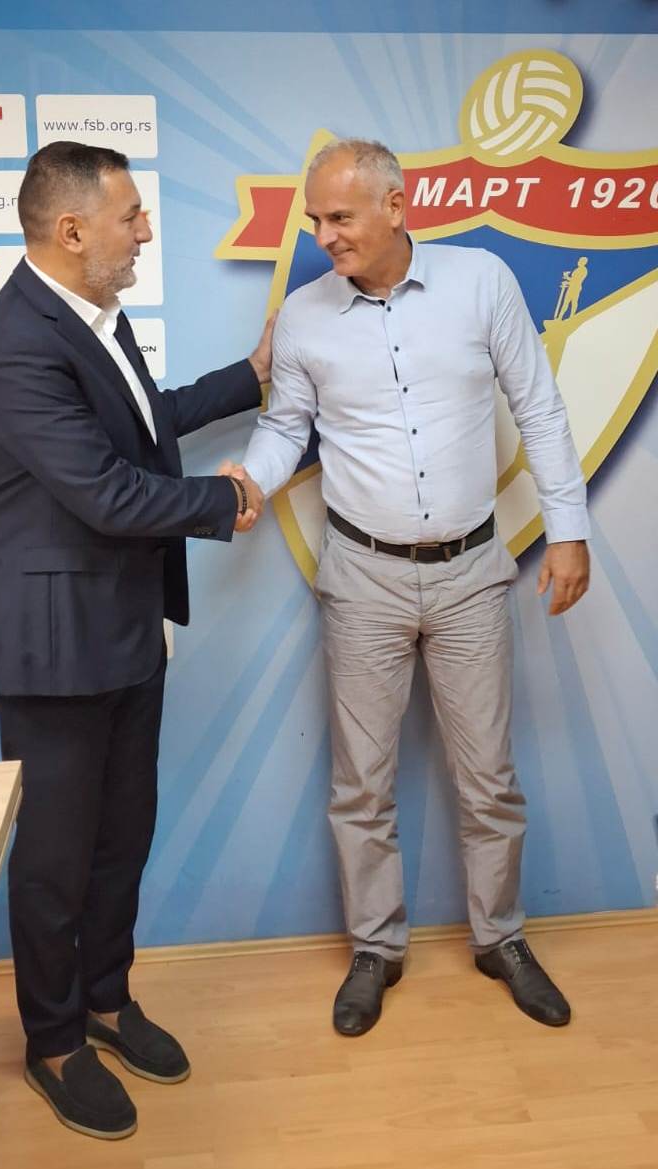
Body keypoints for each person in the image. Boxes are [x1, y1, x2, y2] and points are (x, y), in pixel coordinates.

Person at [240, 139, 590, 1039]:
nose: (324, 235)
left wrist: (569, 529)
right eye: (315, 219)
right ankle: (374, 948)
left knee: (490, 777)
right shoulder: (305, 317)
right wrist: (247, 481)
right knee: (361, 784)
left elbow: (540, 407)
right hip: (361, 576)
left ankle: (501, 937)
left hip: (473, 571)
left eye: (339, 217)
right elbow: (286, 429)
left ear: (396, 207)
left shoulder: (481, 282)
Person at [0, 140, 269, 1140]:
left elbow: (144, 428)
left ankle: (105, 998)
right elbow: (103, 490)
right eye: (130, 214)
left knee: (120, 837)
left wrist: (248, 379)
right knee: (56, 859)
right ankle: (53, 1041)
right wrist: (221, 500)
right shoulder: (13, 339)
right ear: (71, 229)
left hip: (128, 629)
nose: (144, 229)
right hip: (52, 648)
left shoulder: (99, 314)